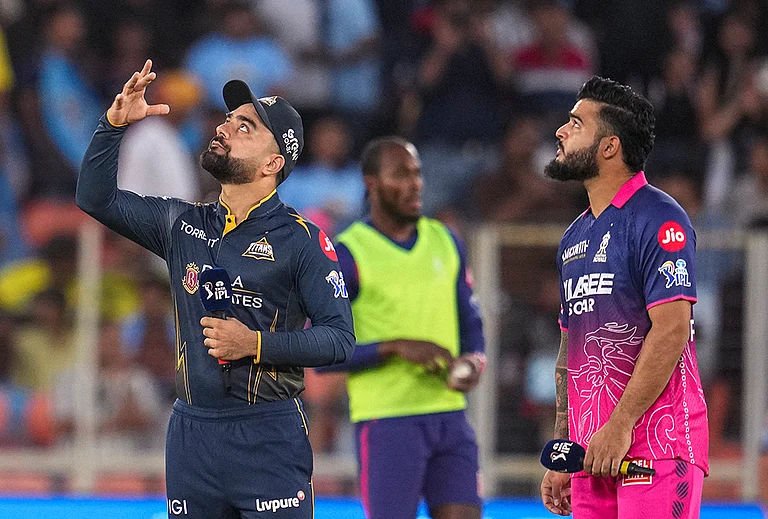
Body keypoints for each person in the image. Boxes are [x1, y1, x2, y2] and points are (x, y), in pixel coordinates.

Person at [76, 60, 355, 519]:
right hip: (191, 435)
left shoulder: (303, 239)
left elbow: (340, 339)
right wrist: (111, 125)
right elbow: (94, 198)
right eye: (228, 119)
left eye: (245, 126)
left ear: (273, 162)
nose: (226, 127)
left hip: (267, 434)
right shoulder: (183, 223)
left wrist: (255, 344)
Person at [540, 76, 708, 518]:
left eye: (576, 123)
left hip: (655, 445)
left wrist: (620, 424)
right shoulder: (573, 237)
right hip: (592, 456)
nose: (561, 130)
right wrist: (565, 449)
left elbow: (672, 329)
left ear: (610, 146)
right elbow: (568, 349)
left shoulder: (659, 217)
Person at [319, 136, 486, 519]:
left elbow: (471, 322)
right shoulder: (348, 254)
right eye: (400, 174)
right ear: (371, 183)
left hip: (450, 414)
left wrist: (474, 361)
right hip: (386, 422)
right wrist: (393, 347)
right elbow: (320, 351)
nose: (414, 184)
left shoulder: (445, 240)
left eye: (417, 173)